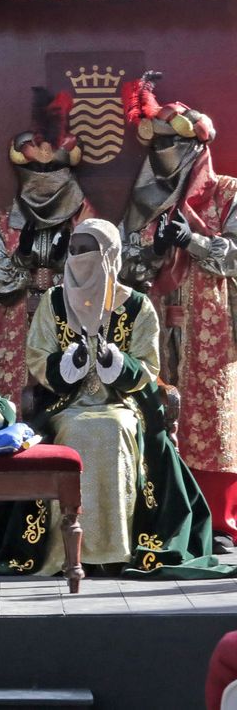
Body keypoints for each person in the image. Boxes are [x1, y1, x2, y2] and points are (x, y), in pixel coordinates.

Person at [0, 220, 228, 577]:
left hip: (123, 404)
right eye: (74, 251)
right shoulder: (54, 302)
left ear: (109, 255)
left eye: (87, 251)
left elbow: (148, 366)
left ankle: (115, 549)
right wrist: (69, 364)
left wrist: (118, 364)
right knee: (78, 433)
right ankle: (69, 550)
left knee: (112, 430)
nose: (77, 258)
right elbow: (38, 357)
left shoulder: (137, 306)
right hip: (66, 405)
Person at [117, 72, 237, 543]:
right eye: (155, 147)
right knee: (156, 408)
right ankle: (162, 513)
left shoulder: (227, 192)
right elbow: (125, 261)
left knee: (212, 411)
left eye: (171, 145)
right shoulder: (142, 200)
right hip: (155, 319)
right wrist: (148, 255)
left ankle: (220, 517)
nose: (161, 157)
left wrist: (194, 241)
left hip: (214, 320)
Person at [0, 89, 94, 400]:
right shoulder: (1, 222)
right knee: (15, 404)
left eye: (53, 171)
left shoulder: (84, 221)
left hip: (69, 328)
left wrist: (63, 268)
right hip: (14, 328)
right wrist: (20, 262)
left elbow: (101, 283)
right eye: (36, 171)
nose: (44, 179)